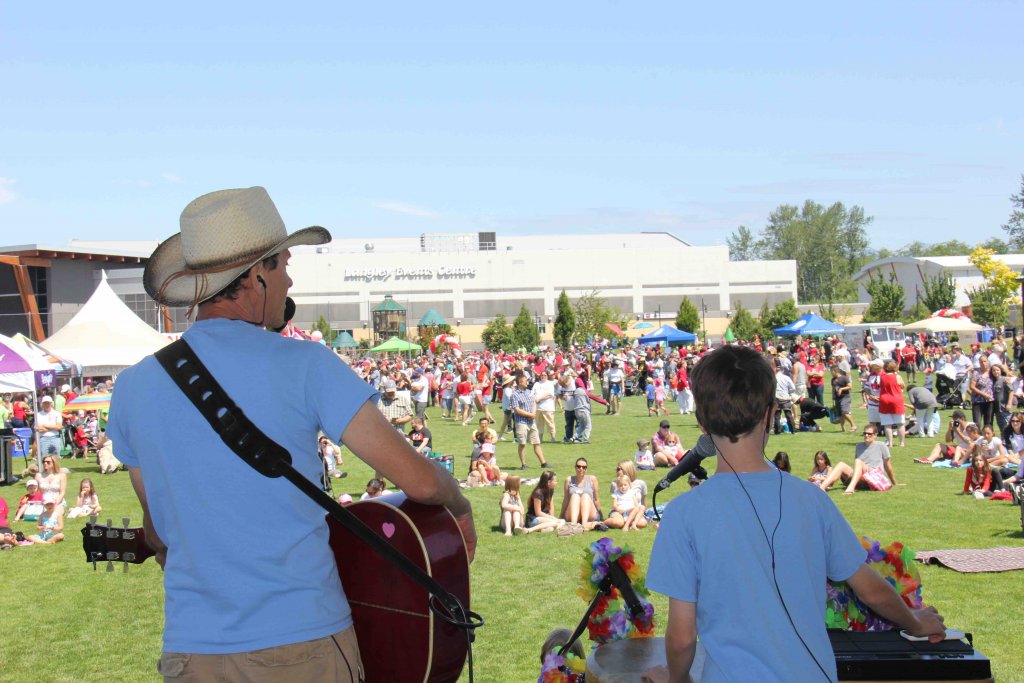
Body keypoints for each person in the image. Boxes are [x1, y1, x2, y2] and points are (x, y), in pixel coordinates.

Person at [108, 187, 475, 681]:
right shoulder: (305, 365)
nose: (289, 278)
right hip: (301, 643)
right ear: (257, 275)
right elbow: (423, 483)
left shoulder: (132, 386)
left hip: (190, 653)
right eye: (283, 263)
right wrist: (461, 508)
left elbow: (159, 534)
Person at [643, 345, 945, 683]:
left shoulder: (684, 513)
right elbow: (870, 589)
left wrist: (676, 679)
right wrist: (916, 622)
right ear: (771, 413)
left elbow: (682, 637)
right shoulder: (811, 500)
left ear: (701, 421)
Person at [817, 426, 898, 495]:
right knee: (841, 464)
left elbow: (888, 466)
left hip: (875, 476)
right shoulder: (859, 446)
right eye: (865, 433)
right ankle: (822, 487)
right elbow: (858, 468)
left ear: (875, 435)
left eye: (869, 434)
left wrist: (894, 483)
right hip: (862, 477)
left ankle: (851, 488)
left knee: (858, 461)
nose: (866, 435)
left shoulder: (881, 445)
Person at [508, 373, 550, 469]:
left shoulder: (528, 391)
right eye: (525, 381)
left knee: (536, 442)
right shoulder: (514, 394)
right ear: (520, 382)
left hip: (531, 422)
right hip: (521, 422)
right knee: (522, 443)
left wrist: (533, 413)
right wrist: (530, 415)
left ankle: (543, 463)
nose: (527, 382)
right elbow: (517, 409)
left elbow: (533, 403)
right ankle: (523, 464)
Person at [561, 457, 604, 531]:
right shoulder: (569, 480)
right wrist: (561, 516)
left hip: (589, 514)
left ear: (586, 469)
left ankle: (584, 524)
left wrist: (601, 515)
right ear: (575, 467)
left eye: (584, 467)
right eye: (578, 466)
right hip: (573, 514)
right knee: (575, 496)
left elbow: (596, 499)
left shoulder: (592, 479)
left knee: (585, 496)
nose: (581, 469)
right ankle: (573, 525)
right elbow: (566, 499)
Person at [968, 355, 996, 430]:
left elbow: (1002, 372)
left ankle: (988, 438)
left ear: (988, 362)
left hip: (990, 401)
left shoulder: (992, 372)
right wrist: (984, 394)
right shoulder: (976, 372)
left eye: (985, 361)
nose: (983, 363)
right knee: (977, 423)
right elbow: (972, 387)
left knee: (989, 422)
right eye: (981, 362)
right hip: (977, 401)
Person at [532, 370, 558, 442]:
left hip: (548, 407)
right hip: (538, 407)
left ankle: (553, 438)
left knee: (550, 423)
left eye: (545, 375)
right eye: (542, 375)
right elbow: (532, 393)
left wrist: (539, 398)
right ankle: (540, 438)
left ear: (547, 376)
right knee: (539, 424)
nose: (543, 376)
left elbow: (549, 394)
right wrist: (536, 399)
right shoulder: (536, 384)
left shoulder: (550, 383)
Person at [773, 359, 797, 434]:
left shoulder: (773, 378)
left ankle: (777, 430)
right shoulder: (786, 378)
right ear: (782, 371)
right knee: (788, 414)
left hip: (776, 397)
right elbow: (793, 388)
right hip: (785, 397)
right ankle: (793, 430)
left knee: (777, 414)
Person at [830, 366, 856, 433]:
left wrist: (841, 389)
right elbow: (833, 388)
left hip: (845, 397)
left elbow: (850, 386)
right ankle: (843, 429)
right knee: (840, 414)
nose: (831, 373)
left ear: (835, 371)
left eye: (832, 372)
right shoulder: (833, 380)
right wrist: (833, 396)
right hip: (837, 398)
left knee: (844, 411)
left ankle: (853, 425)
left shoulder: (844, 378)